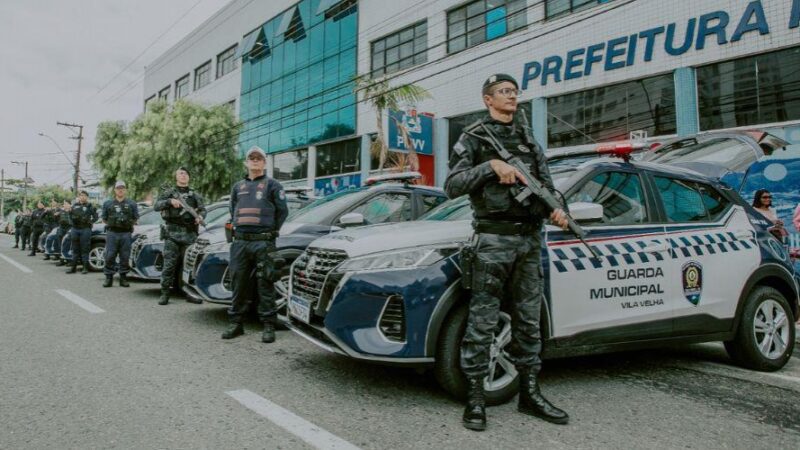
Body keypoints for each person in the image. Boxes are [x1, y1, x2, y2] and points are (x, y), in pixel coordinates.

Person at [444, 74, 570, 431]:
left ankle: (530, 394)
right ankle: (476, 399)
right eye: (503, 92)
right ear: (488, 100)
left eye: (514, 91)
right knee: (482, 321)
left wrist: (558, 211)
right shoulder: (474, 137)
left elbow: (547, 187)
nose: (511, 96)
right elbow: (452, 185)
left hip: (530, 241)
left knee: (529, 322)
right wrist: (490, 167)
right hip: (493, 241)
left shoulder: (529, 140)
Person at [221, 146, 288, 343]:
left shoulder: (273, 185)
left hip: (263, 243)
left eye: (259, 158)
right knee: (239, 284)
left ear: (265, 163)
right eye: (252, 158)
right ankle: (236, 324)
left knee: (265, 283)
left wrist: (270, 232)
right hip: (240, 242)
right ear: (246, 162)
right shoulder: (237, 187)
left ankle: (268, 325)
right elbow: (233, 210)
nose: (255, 161)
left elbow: (282, 212)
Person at [155, 167, 206, 305]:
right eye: (180, 173)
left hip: (190, 235)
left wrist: (200, 217)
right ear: (176, 177)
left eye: (186, 174)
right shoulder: (169, 193)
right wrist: (169, 202)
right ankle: (165, 293)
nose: (183, 175)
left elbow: (202, 209)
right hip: (172, 234)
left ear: (189, 177)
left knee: (189, 266)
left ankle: (189, 292)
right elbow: (156, 206)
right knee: (169, 265)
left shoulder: (195, 194)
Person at [101, 181, 139, 288]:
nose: (120, 190)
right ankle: (109, 278)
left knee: (125, 256)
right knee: (110, 255)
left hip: (125, 233)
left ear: (125, 190)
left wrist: (127, 224)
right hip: (112, 233)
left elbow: (136, 217)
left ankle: (123, 278)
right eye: (118, 188)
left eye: (122, 188)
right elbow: (104, 218)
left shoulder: (131, 203)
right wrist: (112, 224)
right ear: (115, 190)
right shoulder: (108, 203)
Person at [67, 190, 98, 274]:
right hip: (75, 229)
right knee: (75, 249)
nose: (82, 197)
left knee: (85, 249)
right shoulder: (74, 206)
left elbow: (96, 217)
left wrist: (90, 222)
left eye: (84, 195)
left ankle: (85, 268)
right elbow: (69, 215)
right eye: (81, 195)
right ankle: (73, 268)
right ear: (79, 197)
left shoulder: (90, 206)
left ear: (87, 197)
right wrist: (71, 223)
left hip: (85, 229)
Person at [54, 201, 72, 266]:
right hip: (61, 228)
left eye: (67, 204)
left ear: (70, 205)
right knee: (60, 244)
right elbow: (55, 220)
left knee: (68, 244)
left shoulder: (72, 211)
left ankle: (69, 260)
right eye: (64, 204)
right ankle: (62, 260)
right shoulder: (61, 212)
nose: (65, 205)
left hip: (69, 228)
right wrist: (56, 216)